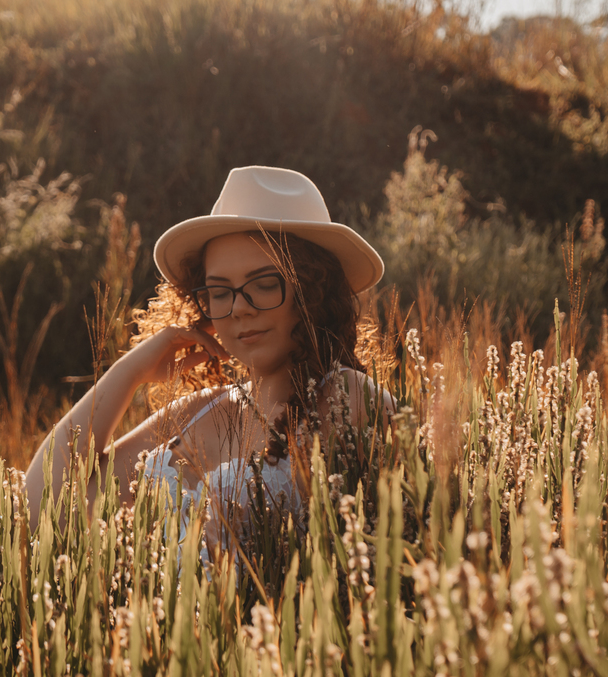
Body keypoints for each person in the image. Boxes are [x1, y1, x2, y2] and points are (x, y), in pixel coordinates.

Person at [21, 166, 393, 559]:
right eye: (219, 291)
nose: (237, 308)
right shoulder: (197, 412)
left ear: (313, 291)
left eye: (265, 284)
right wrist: (129, 373)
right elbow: (38, 510)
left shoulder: (350, 398)